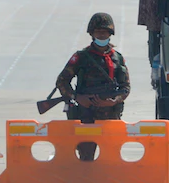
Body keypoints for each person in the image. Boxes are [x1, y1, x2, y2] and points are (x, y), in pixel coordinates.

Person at [55, 12, 130, 160]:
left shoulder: (117, 58)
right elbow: (62, 81)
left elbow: (125, 87)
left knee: (111, 158)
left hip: (110, 116)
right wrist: (77, 97)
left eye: (105, 32)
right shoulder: (81, 57)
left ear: (110, 34)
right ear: (92, 34)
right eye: (98, 32)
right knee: (86, 157)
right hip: (86, 114)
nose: (101, 35)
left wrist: (114, 100)